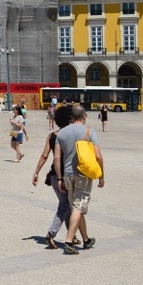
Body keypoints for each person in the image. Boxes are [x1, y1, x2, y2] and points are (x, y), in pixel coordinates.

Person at [53, 105, 104, 255]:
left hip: (67, 174)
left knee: (76, 206)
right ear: (85, 116)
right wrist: (101, 176)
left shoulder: (62, 132)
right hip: (83, 174)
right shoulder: (89, 132)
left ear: (71, 117)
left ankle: (86, 239)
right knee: (78, 207)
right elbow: (98, 156)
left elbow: (56, 158)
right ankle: (69, 241)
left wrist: (60, 178)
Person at [33, 105, 76, 249]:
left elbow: (44, 155)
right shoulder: (72, 135)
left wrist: (36, 172)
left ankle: (72, 235)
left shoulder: (52, 135)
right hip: (65, 176)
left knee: (68, 206)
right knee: (65, 205)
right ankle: (51, 234)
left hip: (53, 176)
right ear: (70, 119)